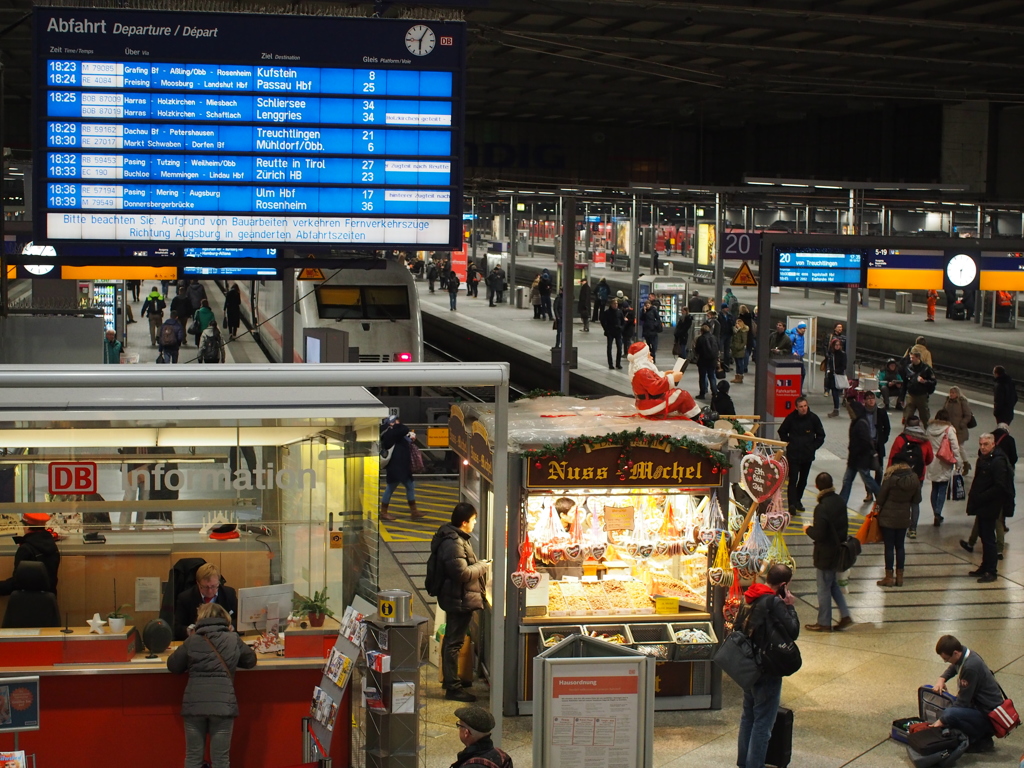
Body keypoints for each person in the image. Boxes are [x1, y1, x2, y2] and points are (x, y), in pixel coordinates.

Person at [167, 602, 257, 768]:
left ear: (200, 620)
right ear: (225, 619)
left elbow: (173, 666)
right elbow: (250, 661)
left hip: (195, 706)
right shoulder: (233, 638)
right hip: (223, 706)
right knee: (221, 761)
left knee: (193, 758)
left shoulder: (192, 640)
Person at [735, 564, 799, 768]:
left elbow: (738, 627)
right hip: (767, 667)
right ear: (783, 585)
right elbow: (793, 631)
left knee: (748, 717)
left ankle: (743, 763)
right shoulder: (773, 601)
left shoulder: (750, 595)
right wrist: (789, 606)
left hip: (748, 665)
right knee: (763, 722)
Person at [432, 503, 490, 702]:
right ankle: (453, 688)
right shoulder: (453, 542)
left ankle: (452, 680)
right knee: (454, 642)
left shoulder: (454, 537)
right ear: (464, 522)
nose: (475, 523)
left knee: (452, 640)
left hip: (458, 596)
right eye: (473, 520)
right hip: (458, 597)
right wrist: (483, 566)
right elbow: (462, 573)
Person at [929, 635, 1002, 753]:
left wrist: (941, 720)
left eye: (946, 659)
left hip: (989, 715)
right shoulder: (966, 654)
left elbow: (963, 702)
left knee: (949, 713)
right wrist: (942, 678)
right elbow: (954, 667)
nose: (946, 661)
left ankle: (981, 740)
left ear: (955, 653)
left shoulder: (970, 667)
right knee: (950, 711)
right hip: (980, 706)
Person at [803, 472, 853, 632]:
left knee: (823, 587)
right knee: (832, 586)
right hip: (838, 551)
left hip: (825, 554)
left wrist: (807, 529)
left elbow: (819, 534)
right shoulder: (840, 501)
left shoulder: (822, 507)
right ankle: (845, 615)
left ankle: (824, 623)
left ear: (817, 487)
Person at [965, 433, 1014, 583]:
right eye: (980, 444)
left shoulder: (998, 461)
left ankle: (991, 570)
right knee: (984, 537)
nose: (982, 447)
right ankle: (984, 566)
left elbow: (1000, 486)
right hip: (983, 504)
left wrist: (981, 496)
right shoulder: (985, 458)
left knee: (988, 538)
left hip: (991, 505)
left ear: (993, 444)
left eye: (985, 444)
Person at [875, 457, 921, 587]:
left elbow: (880, 498)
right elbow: (917, 499)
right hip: (904, 517)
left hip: (888, 517)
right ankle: (900, 577)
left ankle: (889, 577)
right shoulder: (914, 478)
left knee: (889, 547)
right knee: (900, 546)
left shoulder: (890, 477)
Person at [626, 341, 701, 420]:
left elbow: (651, 380)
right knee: (683, 395)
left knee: (675, 393)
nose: (651, 356)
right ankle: (697, 418)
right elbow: (655, 388)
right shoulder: (643, 371)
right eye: (648, 354)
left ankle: (689, 414)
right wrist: (672, 378)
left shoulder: (639, 370)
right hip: (650, 404)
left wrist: (665, 374)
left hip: (645, 402)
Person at [888, 415, 934, 538]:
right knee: (915, 503)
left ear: (906, 425)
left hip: (901, 476)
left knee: (901, 502)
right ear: (919, 425)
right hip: (918, 477)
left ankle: (899, 526)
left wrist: (889, 474)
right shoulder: (925, 440)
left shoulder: (900, 439)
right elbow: (929, 459)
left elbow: (893, 457)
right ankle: (913, 529)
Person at [778, 397, 826, 514]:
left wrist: (813, 446)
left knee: (803, 480)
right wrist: (789, 442)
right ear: (796, 408)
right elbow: (782, 431)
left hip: (807, 455)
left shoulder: (813, 418)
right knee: (793, 479)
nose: (803, 409)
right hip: (794, 455)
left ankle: (798, 500)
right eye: (801, 407)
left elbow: (821, 435)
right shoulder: (791, 418)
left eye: (805, 406)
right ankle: (792, 504)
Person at [0, 513, 60, 597]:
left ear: (27, 527)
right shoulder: (52, 545)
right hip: (49, 601)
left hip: (29, 602)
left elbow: (18, 583)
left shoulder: (26, 549)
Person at [173, 563, 238, 640]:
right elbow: (176, 627)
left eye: (213, 586)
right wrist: (190, 631)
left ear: (219, 582)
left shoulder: (228, 594)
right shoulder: (185, 598)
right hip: (198, 641)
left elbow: (239, 620)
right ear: (198, 583)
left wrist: (232, 626)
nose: (210, 591)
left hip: (224, 640)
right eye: (205, 587)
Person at [379, 415, 422, 523]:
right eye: (396, 421)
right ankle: (383, 512)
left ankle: (414, 511)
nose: (398, 422)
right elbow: (404, 429)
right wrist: (395, 425)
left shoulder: (394, 432)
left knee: (410, 486)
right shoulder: (389, 433)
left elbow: (405, 432)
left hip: (403, 466)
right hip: (396, 466)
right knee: (390, 488)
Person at [839, 400, 882, 504]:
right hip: (856, 459)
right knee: (849, 480)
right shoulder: (858, 421)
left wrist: (855, 452)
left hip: (859, 459)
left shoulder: (859, 423)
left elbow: (864, 442)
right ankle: (842, 502)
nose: (849, 413)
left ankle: (882, 496)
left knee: (865, 480)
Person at [926, 409, 962, 526]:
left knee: (934, 488)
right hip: (944, 461)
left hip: (932, 460)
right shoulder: (949, 429)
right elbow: (955, 447)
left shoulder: (929, 429)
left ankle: (935, 512)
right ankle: (938, 512)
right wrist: (959, 462)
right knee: (942, 488)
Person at [862, 391, 891, 500]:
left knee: (879, 469)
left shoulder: (881, 412)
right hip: (865, 445)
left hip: (877, 444)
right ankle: (869, 493)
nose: (871, 400)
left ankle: (876, 489)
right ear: (864, 400)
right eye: (868, 398)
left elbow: (887, 428)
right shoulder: (862, 413)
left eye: (872, 398)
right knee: (865, 471)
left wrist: (883, 439)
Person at [903, 351, 937, 426]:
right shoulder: (908, 368)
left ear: (918, 358)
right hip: (911, 395)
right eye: (910, 357)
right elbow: (905, 383)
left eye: (913, 358)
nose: (911, 359)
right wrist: (901, 397)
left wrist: (924, 381)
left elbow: (933, 382)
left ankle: (926, 431)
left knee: (924, 416)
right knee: (907, 415)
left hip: (921, 396)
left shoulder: (926, 369)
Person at [944, 387, 974, 469]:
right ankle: (953, 463)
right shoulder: (948, 401)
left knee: (960, 447)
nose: (951, 394)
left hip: (960, 429)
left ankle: (965, 463)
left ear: (957, 393)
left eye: (953, 393)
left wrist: (962, 423)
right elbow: (944, 412)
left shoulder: (962, 402)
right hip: (949, 428)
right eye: (950, 393)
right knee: (950, 446)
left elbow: (968, 415)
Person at [694, 323, 720, 400]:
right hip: (712, 360)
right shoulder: (714, 337)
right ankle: (715, 392)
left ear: (701, 331)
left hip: (703, 360)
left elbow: (697, 350)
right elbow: (717, 347)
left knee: (702, 377)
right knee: (712, 376)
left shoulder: (700, 339)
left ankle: (702, 393)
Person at [824, 337, 847, 417]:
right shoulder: (831, 354)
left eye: (838, 345)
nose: (837, 346)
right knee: (834, 393)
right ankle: (836, 408)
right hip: (832, 376)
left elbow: (844, 366)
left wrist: (835, 371)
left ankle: (836, 409)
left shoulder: (842, 354)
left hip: (838, 375)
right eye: (836, 345)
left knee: (835, 392)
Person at [601, 298, 624, 370]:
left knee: (619, 348)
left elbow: (623, 321)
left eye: (616, 304)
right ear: (611, 304)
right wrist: (606, 329)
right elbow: (603, 321)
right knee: (609, 348)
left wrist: (621, 327)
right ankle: (610, 364)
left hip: (618, 331)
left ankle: (618, 363)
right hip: (610, 332)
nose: (616, 305)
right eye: (614, 304)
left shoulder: (619, 312)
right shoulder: (607, 312)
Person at [730, 318, 749, 384]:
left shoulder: (743, 331)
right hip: (735, 349)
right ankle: (737, 377)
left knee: (740, 364)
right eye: (736, 323)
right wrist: (732, 346)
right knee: (737, 364)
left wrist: (739, 347)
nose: (736, 324)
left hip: (740, 350)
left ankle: (740, 377)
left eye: (738, 323)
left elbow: (744, 341)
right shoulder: (735, 331)